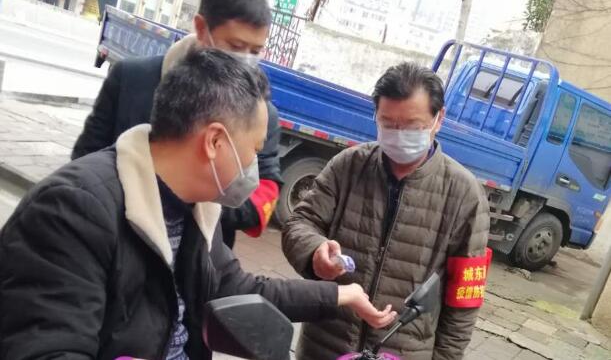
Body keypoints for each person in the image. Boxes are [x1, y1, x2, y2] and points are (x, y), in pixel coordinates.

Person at [0, 50, 397, 360]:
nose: (255, 167)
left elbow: (236, 289)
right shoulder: (71, 211)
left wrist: (342, 296)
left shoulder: (196, 209)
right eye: (255, 150)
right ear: (214, 142)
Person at [282, 62, 491, 360]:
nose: (399, 134)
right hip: (326, 344)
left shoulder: (464, 195)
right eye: (388, 124)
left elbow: (464, 298)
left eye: (412, 126)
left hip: (405, 350)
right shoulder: (348, 166)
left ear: (438, 119)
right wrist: (315, 250)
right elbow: (300, 223)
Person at [72, 0, 279, 248]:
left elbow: (263, 193)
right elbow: (86, 156)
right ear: (202, 28)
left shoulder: (260, 113)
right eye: (236, 47)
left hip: (199, 250)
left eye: (255, 51)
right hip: (114, 234)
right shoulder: (133, 79)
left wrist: (199, 195)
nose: (245, 60)